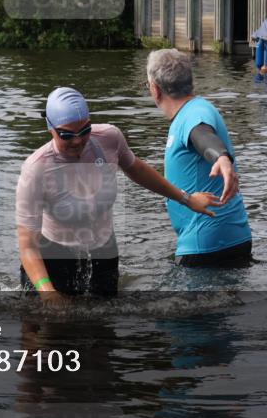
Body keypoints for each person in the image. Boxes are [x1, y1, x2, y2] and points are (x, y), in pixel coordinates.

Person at [16, 87, 220, 300]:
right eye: (66, 135)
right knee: (48, 327)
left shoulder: (108, 138)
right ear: (51, 128)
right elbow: (27, 244)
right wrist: (47, 292)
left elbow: (137, 169)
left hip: (103, 251)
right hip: (54, 257)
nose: (77, 141)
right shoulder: (36, 168)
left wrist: (186, 199)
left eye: (84, 131)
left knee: (105, 323)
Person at [145, 49, 252, 267]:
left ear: (155, 89)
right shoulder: (195, 109)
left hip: (205, 244)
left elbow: (203, 136)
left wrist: (221, 157)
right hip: (230, 236)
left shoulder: (193, 115)